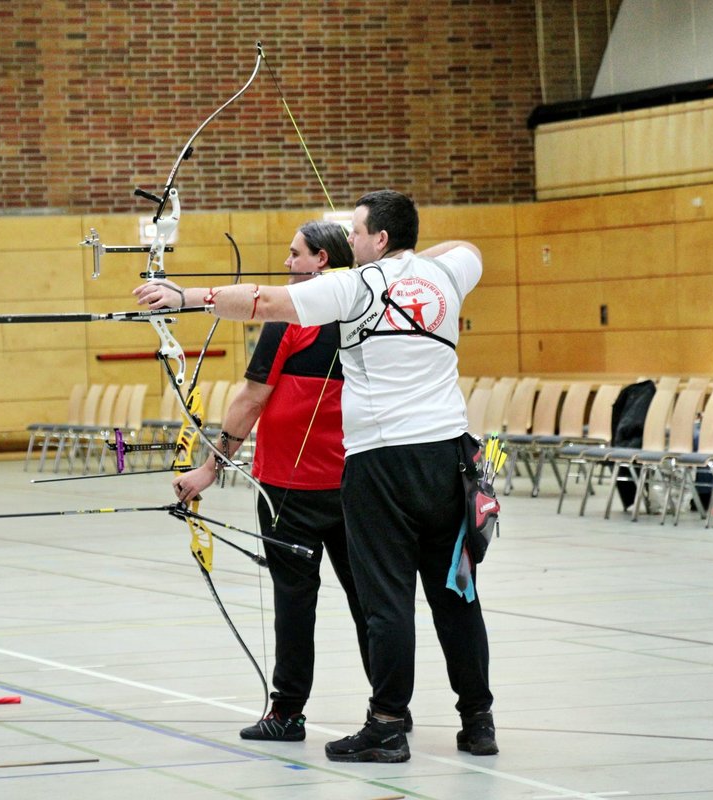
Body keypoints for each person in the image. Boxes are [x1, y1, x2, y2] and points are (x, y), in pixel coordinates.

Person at [136, 190, 496, 763]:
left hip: (382, 466)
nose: (350, 240)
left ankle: (386, 726)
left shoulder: (352, 287)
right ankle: (478, 723)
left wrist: (187, 297)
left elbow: (262, 301)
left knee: (387, 603)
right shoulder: (447, 276)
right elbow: (468, 247)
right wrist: (409, 264)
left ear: (380, 238)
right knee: (457, 593)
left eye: (357, 232)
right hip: (449, 459)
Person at [171, 221, 374, 742]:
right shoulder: (368, 312)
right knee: (372, 602)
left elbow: (251, 399)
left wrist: (210, 467)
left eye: (295, 253)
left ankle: (287, 715)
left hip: (292, 490)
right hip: (357, 486)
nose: (286, 263)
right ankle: (390, 710)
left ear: (321, 260)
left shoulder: (290, 319)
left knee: (295, 602)